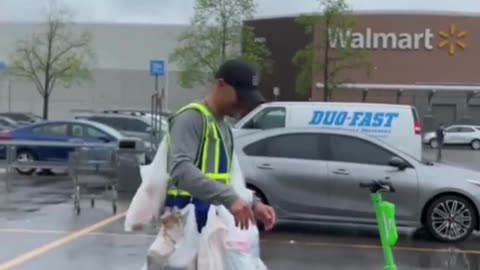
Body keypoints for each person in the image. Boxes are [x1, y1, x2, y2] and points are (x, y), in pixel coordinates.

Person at [165, 59, 276, 232]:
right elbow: (180, 169)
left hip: (210, 228)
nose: (243, 104)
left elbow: (230, 179)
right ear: (221, 85)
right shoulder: (192, 117)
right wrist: (229, 198)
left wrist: (254, 204)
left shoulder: (223, 127)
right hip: (185, 228)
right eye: (240, 96)